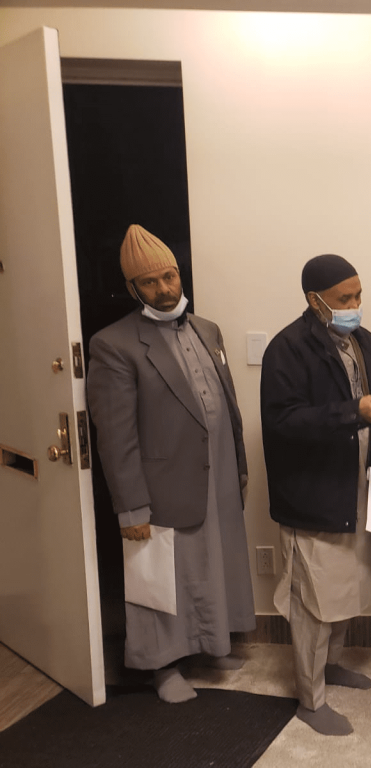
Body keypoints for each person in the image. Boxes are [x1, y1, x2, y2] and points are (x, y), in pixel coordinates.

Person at [87, 224, 255, 703]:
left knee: (212, 563)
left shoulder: (208, 329)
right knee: (159, 577)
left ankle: (212, 645)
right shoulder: (114, 345)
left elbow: (228, 405)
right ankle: (161, 667)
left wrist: (239, 466)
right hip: (159, 483)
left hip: (217, 473)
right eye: (150, 282)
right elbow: (115, 436)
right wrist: (131, 507)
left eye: (170, 277)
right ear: (132, 288)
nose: (164, 289)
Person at [261, 254, 371, 736]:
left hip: (357, 489)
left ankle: (332, 665)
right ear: (314, 300)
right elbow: (283, 422)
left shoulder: (363, 344)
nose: (355, 305)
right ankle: (310, 699)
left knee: (349, 587)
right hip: (314, 494)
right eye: (345, 298)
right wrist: (352, 413)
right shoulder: (286, 349)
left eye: (359, 294)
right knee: (313, 602)